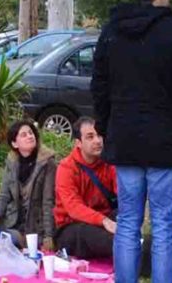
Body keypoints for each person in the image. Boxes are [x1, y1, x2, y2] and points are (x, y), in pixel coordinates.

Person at [92, 0, 172, 283]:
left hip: (125, 139)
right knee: (164, 224)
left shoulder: (112, 31)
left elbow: (99, 85)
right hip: (165, 142)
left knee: (128, 221)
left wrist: (105, 126)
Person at [55, 117, 152, 275]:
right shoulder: (66, 167)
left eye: (99, 135)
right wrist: (104, 221)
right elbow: (73, 207)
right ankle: (138, 251)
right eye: (90, 137)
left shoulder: (109, 161)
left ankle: (138, 248)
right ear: (78, 143)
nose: (98, 141)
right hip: (72, 227)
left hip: (104, 218)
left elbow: (123, 194)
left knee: (126, 213)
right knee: (88, 234)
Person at [0, 120, 57, 251]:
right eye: (24, 135)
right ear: (15, 143)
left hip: (29, 230)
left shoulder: (47, 163)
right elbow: (3, 196)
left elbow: (48, 202)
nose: (29, 136)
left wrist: (48, 237)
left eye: (31, 133)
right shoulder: (12, 161)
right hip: (9, 221)